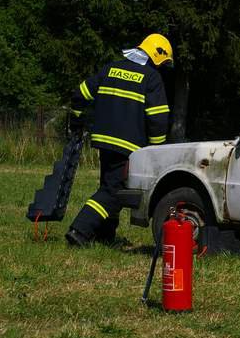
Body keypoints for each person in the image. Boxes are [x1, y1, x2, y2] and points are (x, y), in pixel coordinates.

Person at [65, 34, 173, 247]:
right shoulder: (151, 78)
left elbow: (80, 94)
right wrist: (157, 149)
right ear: (157, 56)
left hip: (103, 141)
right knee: (113, 191)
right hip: (128, 146)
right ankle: (80, 230)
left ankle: (105, 235)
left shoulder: (110, 69)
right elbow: (158, 118)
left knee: (108, 186)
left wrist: (77, 122)